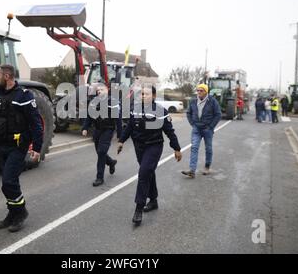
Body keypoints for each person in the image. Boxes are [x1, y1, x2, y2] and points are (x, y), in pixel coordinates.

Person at [0, 64, 43, 233]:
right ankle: (12, 213)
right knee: (7, 184)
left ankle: (21, 213)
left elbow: (36, 123)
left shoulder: (24, 96)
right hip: (2, 146)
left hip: (18, 147)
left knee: (8, 182)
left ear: (6, 77)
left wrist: (37, 147)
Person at [117, 86, 182, 226]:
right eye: (141, 94)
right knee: (148, 173)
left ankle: (139, 208)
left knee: (144, 172)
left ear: (153, 96)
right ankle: (153, 200)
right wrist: (121, 140)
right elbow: (129, 127)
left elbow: (169, 131)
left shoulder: (160, 111)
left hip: (154, 146)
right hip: (139, 146)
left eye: (146, 94)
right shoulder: (135, 109)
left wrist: (176, 148)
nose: (143, 96)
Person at [82, 84, 122, 187]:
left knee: (101, 151)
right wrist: (85, 128)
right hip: (97, 130)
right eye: (98, 90)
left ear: (107, 90)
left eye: (101, 89)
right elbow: (89, 116)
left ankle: (100, 177)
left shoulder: (113, 102)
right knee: (100, 152)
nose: (99, 91)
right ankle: (111, 162)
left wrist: (120, 135)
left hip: (108, 130)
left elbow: (118, 119)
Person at [182, 84, 221, 178]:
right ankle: (192, 170)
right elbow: (188, 113)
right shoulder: (193, 101)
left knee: (208, 148)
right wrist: (192, 124)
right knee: (194, 147)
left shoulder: (212, 101)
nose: (199, 92)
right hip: (196, 128)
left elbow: (218, 114)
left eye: (201, 90)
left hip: (207, 129)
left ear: (206, 92)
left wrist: (211, 127)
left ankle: (207, 167)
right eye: (198, 90)